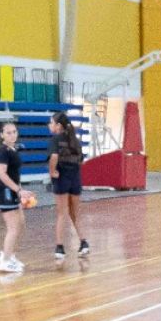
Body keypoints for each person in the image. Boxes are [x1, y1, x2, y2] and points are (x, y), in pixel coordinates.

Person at [0, 121, 34, 272]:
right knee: (13, 227)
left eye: (14, 131)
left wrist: (21, 191)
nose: (12, 135)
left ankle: (9, 255)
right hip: (4, 193)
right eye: (8, 132)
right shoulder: (3, 151)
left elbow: (14, 175)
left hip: (13, 192)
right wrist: (18, 190)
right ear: (2, 135)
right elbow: (1, 174)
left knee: (20, 224)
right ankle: (5, 261)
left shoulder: (13, 150)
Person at [47, 111, 89, 259]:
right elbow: (81, 160)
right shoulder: (75, 140)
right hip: (75, 179)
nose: (49, 125)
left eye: (51, 122)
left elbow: (54, 157)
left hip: (62, 178)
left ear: (58, 126)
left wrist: (52, 172)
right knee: (74, 213)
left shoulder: (56, 140)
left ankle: (59, 247)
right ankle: (83, 243)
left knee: (61, 213)